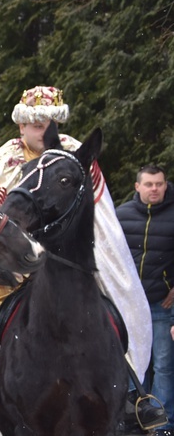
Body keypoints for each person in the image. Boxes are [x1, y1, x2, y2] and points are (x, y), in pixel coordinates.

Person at [0, 86, 162, 436]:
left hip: (69, 259)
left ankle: (132, 392)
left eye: (47, 122)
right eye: (34, 123)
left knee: (113, 309)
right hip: (17, 266)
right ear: (21, 126)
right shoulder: (1, 161)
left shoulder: (74, 154)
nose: (41, 128)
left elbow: (102, 218)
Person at [116, 165, 174, 436]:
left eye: (159, 184)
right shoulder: (122, 215)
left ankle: (163, 422)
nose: (154, 189)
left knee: (163, 365)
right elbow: (109, 256)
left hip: (161, 304)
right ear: (137, 186)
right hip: (130, 306)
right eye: (149, 184)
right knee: (135, 363)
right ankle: (139, 418)